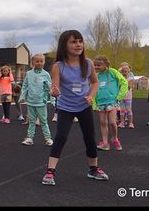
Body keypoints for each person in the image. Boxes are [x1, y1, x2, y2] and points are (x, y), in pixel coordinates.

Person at [41, 29, 107, 186]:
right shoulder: (59, 66)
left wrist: (91, 95)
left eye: (80, 41)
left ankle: (93, 169)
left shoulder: (88, 63)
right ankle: (50, 171)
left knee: (90, 137)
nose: (78, 44)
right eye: (73, 41)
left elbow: (95, 82)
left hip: (84, 106)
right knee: (61, 137)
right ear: (64, 45)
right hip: (65, 107)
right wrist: (54, 91)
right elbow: (54, 87)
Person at [93, 55, 128, 151]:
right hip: (100, 102)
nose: (96, 67)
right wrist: (94, 103)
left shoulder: (113, 72)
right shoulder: (97, 76)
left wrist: (119, 97)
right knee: (103, 122)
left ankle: (115, 138)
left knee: (112, 122)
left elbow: (124, 83)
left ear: (105, 64)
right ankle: (105, 143)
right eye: (95, 65)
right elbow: (93, 89)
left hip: (112, 101)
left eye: (98, 65)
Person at [20, 53, 53, 146]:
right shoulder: (29, 73)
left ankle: (48, 138)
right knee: (31, 121)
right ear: (33, 62)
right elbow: (25, 85)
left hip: (41, 102)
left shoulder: (46, 74)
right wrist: (22, 96)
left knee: (43, 121)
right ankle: (30, 138)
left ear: (44, 62)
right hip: (30, 101)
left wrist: (52, 97)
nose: (39, 63)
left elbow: (50, 87)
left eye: (41, 61)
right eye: (37, 61)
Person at [118, 63, 136, 129]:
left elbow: (129, 86)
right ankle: (122, 122)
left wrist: (124, 82)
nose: (124, 73)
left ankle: (131, 123)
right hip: (121, 96)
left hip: (128, 96)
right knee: (122, 110)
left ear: (129, 72)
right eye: (123, 71)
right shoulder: (120, 78)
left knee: (128, 110)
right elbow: (118, 86)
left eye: (126, 71)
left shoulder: (130, 78)